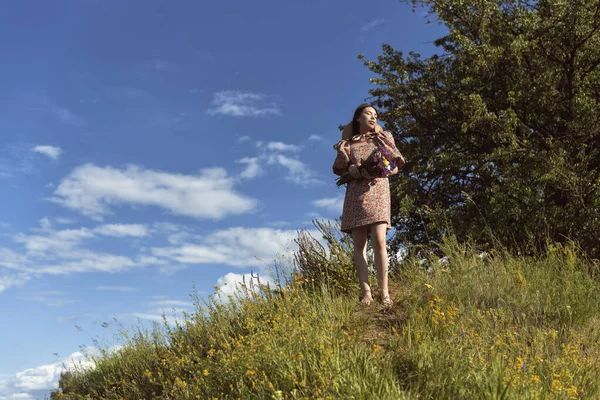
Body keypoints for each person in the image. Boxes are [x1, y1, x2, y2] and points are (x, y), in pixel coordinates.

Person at [332, 104, 405, 306]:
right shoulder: (348, 143)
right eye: (368, 114)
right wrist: (352, 168)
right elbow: (340, 168)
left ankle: (384, 292)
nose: (373, 117)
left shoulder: (383, 138)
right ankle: (366, 292)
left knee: (380, 240)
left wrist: (382, 170)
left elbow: (396, 165)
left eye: (375, 115)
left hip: (378, 190)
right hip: (356, 193)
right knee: (359, 243)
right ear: (358, 118)